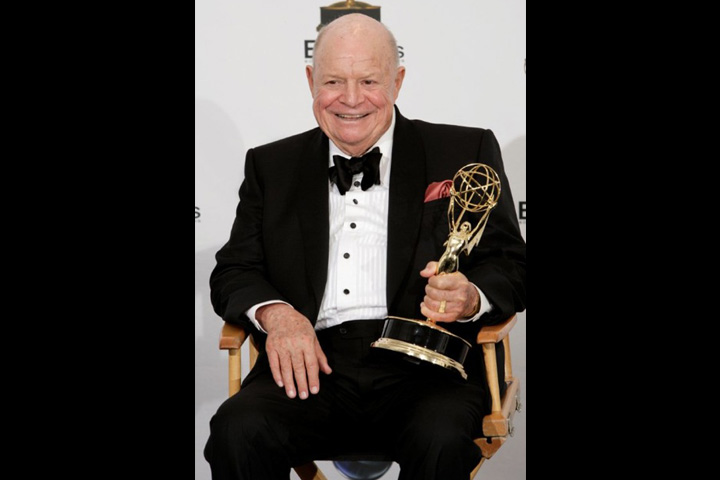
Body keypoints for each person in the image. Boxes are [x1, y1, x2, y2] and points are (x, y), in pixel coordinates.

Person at [204, 13, 526, 480]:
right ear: (310, 80)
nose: (351, 100)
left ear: (397, 81)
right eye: (333, 80)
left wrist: (472, 296)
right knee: (238, 430)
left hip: (427, 367)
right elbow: (234, 270)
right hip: (310, 366)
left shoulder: (464, 150)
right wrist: (278, 315)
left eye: (369, 80)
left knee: (441, 437)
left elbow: (512, 264)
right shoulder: (271, 165)